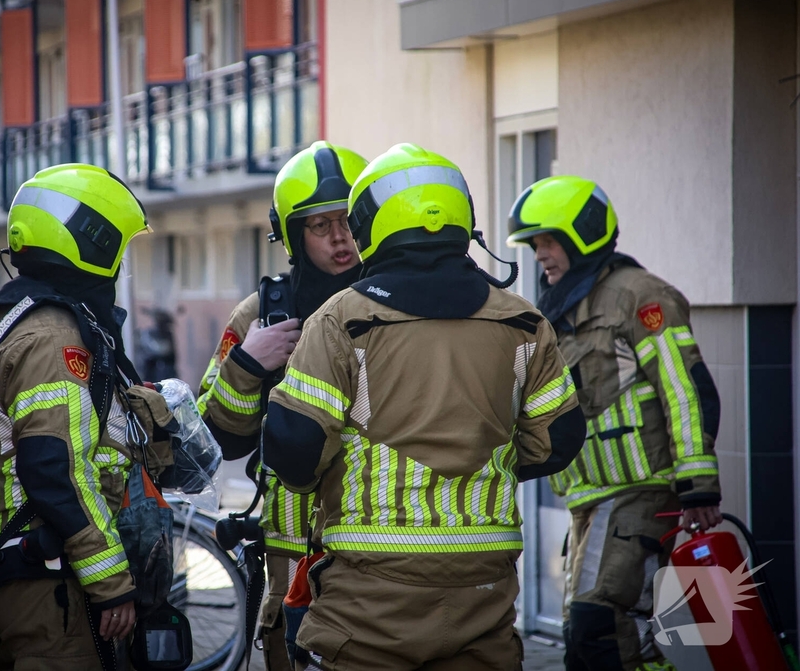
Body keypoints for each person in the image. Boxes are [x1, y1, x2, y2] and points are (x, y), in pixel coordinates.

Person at [262, 143, 586, 670]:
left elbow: (296, 452)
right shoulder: (523, 321)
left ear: (371, 223)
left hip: (372, 597)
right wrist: (483, 466)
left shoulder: (342, 319)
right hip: (483, 585)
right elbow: (558, 440)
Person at [506, 175, 723, 671]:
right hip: (589, 501)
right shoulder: (561, 304)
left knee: (597, 624)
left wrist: (698, 488)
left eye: (547, 239)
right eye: (535, 243)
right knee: (594, 637)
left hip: (640, 493)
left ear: (581, 233)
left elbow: (686, 389)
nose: (539, 253)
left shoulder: (639, 296)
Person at [0, 164, 157, 670]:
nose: (119, 267)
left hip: (24, 576)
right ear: (88, 245)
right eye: (116, 249)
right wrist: (111, 582)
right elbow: (57, 467)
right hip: (46, 593)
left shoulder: (19, 320)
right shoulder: (53, 334)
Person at [196, 140, 369, 671]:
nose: (340, 239)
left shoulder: (393, 305)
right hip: (289, 558)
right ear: (294, 236)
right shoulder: (261, 313)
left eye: (347, 221)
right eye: (320, 226)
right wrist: (248, 364)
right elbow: (212, 441)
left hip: (373, 550)